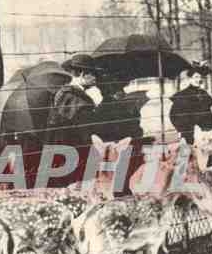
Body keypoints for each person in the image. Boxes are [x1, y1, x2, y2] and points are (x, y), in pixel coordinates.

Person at [45, 53, 103, 187]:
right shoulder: (72, 96)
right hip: (70, 151)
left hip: (63, 150)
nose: (95, 78)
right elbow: (85, 128)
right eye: (93, 74)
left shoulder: (67, 93)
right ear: (82, 73)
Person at [90, 74, 145, 193]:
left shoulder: (99, 108)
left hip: (105, 149)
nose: (123, 92)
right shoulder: (125, 107)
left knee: (108, 177)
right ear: (116, 91)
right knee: (122, 179)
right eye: (122, 89)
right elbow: (135, 129)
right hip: (122, 147)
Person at [169, 63, 212, 144]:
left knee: (209, 154)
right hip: (189, 134)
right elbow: (173, 115)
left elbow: (207, 114)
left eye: (201, 77)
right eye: (196, 77)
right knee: (188, 153)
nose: (199, 79)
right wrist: (181, 130)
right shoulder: (182, 95)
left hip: (207, 132)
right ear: (190, 79)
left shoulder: (203, 94)